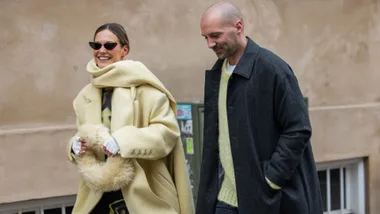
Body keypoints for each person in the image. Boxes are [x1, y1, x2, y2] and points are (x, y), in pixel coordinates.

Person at [196, 2, 323, 214]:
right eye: (206, 38)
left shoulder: (273, 69)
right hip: (224, 198)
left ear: (238, 27)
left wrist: (271, 179)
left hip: (265, 199)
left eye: (215, 35)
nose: (210, 43)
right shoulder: (217, 74)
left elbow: (298, 129)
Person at [67, 23, 194, 214]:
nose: (102, 50)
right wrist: (74, 147)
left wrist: (123, 141)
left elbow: (167, 133)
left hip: (143, 195)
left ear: (124, 50)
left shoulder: (148, 91)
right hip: (97, 197)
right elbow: (82, 133)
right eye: (96, 45)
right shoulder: (84, 96)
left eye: (109, 45)